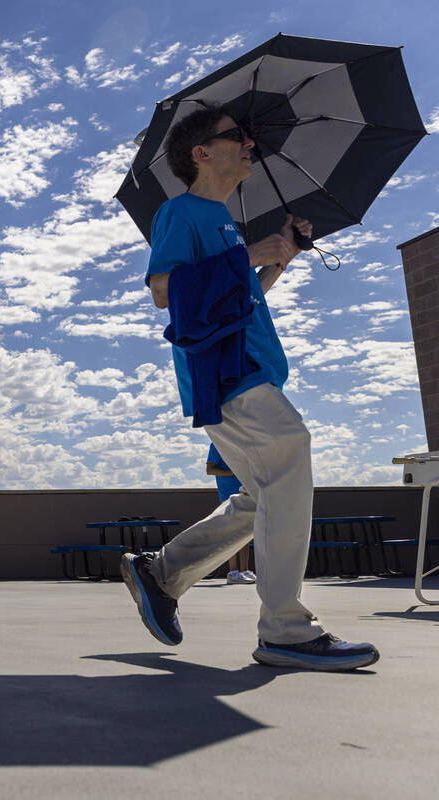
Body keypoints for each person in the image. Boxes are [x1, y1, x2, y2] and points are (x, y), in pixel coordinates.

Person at [125, 104, 378, 670]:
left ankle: (160, 572)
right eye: (237, 136)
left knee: (263, 495)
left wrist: (278, 257)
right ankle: (285, 629)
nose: (250, 145)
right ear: (201, 152)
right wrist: (248, 253)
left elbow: (243, 295)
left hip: (250, 367)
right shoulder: (180, 212)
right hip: (228, 373)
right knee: (292, 450)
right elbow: (164, 290)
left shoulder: (222, 222)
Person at [206, 443, 255, 584]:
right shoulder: (216, 444)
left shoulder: (238, 441)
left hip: (245, 492)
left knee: (245, 533)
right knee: (231, 534)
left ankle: (244, 571)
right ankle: (233, 572)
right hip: (228, 495)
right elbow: (210, 469)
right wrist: (233, 472)